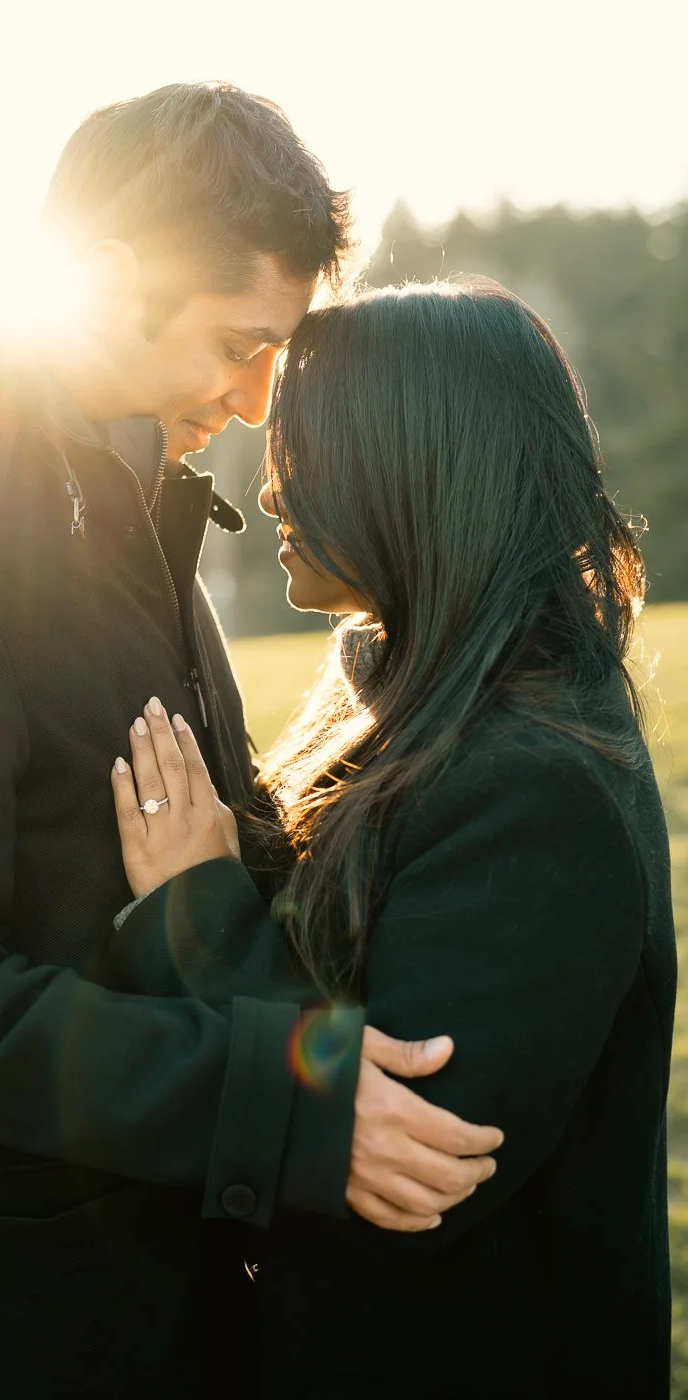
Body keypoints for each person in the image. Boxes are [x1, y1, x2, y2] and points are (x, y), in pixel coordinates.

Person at [0, 89, 503, 1400]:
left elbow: (203, 869)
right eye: (237, 341)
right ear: (107, 285)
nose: (259, 395)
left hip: (186, 1264)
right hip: (32, 1318)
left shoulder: (133, 502)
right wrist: (280, 1102)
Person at [108, 279, 677, 1398]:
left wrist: (200, 914)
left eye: (306, 449)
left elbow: (407, 1176)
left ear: (414, 464)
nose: (267, 489)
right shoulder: (412, 693)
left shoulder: (535, 789)